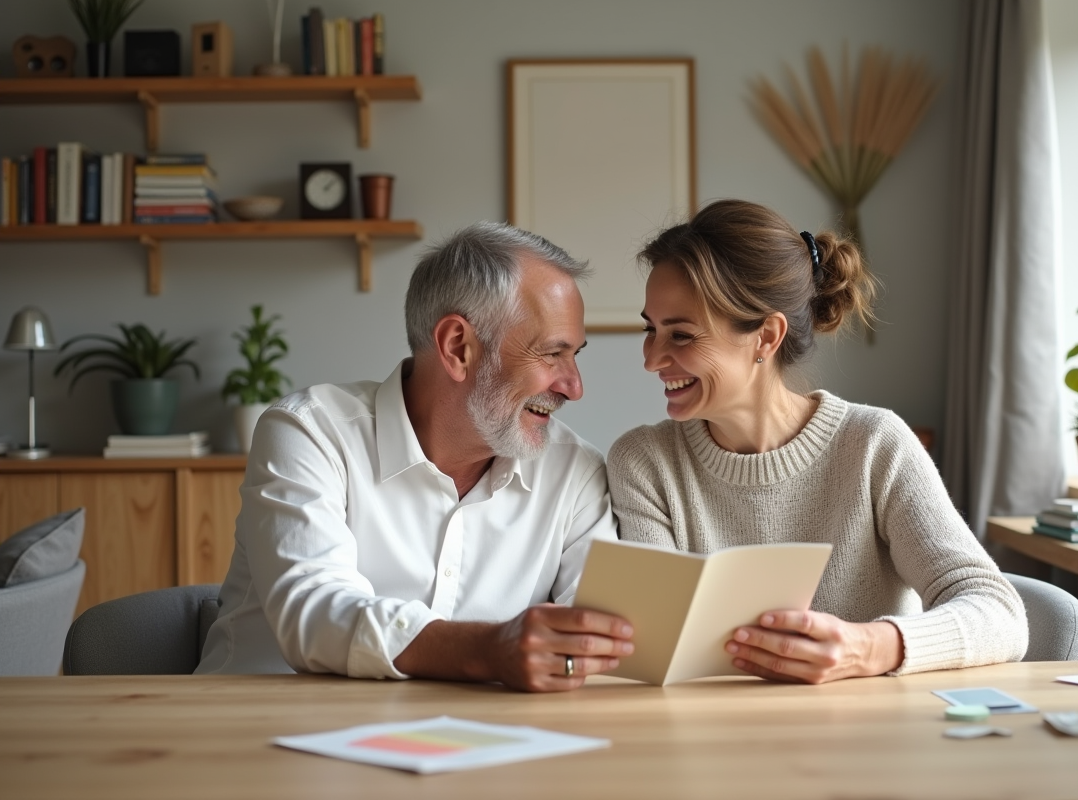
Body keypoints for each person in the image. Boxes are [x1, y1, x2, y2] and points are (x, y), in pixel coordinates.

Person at [197, 222, 634, 691]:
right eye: (552, 354)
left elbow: (599, 639)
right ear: (457, 347)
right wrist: (489, 651)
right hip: (258, 739)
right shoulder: (311, 432)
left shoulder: (574, 472)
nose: (574, 386)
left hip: (474, 750)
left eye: (575, 355)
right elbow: (316, 612)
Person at [607, 199, 1027, 684]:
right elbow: (662, 645)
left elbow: (1000, 614)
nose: (652, 359)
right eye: (650, 329)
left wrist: (870, 647)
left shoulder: (874, 446)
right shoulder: (644, 462)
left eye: (680, 335)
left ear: (765, 337)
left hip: (871, 739)